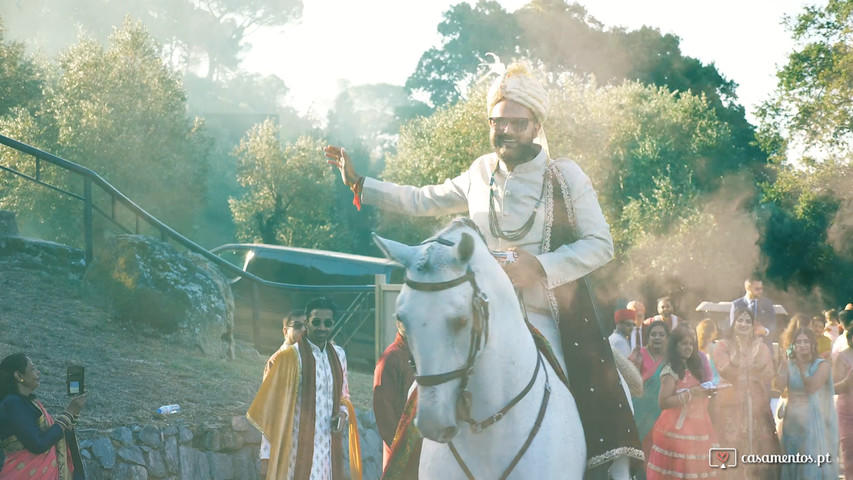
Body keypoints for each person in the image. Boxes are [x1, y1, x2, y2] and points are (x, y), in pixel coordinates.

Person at [325, 61, 642, 478]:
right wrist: (362, 183)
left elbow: (601, 245)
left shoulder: (564, 175)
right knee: (427, 390)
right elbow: (423, 199)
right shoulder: (480, 172)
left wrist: (540, 267)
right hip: (478, 318)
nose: (505, 130)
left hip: (549, 317)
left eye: (516, 122)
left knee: (603, 391)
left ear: (536, 125)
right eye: (497, 121)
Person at [248, 298, 360, 480]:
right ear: (307, 322)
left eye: (328, 323)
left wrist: (342, 414)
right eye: (316, 322)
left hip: (330, 447)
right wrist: (266, 457)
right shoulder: (289, 358)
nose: (322, 327)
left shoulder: (339, 355)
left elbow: (344, 396)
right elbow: (272, 412)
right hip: (297, 449)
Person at [712, 308, 782, 479]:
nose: (743, 324)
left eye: (747, 321)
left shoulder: (761, 347)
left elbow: (768, 374)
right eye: (740, 320)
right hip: (730, 404)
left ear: (752, 326)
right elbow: (726, 370)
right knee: (730, 445)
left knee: (757, 445)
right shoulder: (722, 345)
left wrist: (754, 371)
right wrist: (744, 363)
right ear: (733, 323)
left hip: (756, 405)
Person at [645, 325, 717, 479]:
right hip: (675, 431)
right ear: (675, 346)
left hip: (697, 428)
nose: (688, 348)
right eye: (684, 344)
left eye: (691, 344)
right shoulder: (670, 370)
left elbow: (697, 394)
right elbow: (663, 402)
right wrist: (690, 394)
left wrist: (706, 393)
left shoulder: (694, 367)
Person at [0, 353, 87, 479]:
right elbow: (38, 444)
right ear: (19, 376)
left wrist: (74, 411)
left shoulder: (29, 402)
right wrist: (69, 413)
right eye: (33, 368)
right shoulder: (12, 403)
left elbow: (53, 435)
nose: (38, 372)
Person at [778, 328, 839, 480]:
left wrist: (799, 366)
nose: (802, 345)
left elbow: (811, 386)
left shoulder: (822, 365)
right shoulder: (790, 364)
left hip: (812, 421)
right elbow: (779, 386)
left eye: (806, 341)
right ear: (793, 345)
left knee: (809, 464)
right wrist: (784, 365)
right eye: (798, 342)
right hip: (791, 421)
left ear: (812, 344)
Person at [372, 320, 415, 473]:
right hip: (401, 448)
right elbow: (384, 413)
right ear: (398, 324)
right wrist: (402, 451)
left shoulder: (424, 354)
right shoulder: (390, 359)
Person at [629, 320, 670, 457]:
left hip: (663, 413)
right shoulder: (639, 354)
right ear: (648, 337)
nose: (657, 337)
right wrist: (635, 364)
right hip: (641, 413)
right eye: (653, 335)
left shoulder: (671, 357)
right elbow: (628, 380)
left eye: (661, 334)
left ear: (667, 338)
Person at [729, 275, 777, 342]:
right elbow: (732, 328)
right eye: (757, 289)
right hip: (742, 345)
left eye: (761, 288)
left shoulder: (767, 304)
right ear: (748, 288)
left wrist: (765, 331)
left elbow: (773, 326)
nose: (761, 291)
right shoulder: (737, 305)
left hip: (763, 344)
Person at [833, 327, 853, 480]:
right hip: (847, 410)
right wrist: (848, 381)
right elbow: (834, 386)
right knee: (848, 449)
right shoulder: (842, 357)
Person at [264, 309, 308, 378]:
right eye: (297, 325)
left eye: (306, 326)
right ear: (285, 331)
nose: (303, 330)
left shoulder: (312, 356)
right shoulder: (276, 361)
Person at [696, 318, 720, 385]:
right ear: (710, 332)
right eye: (715, 329)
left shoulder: (696, 349)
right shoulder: (716, 347)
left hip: (702, 383)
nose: (717, 331)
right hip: (716, 382)